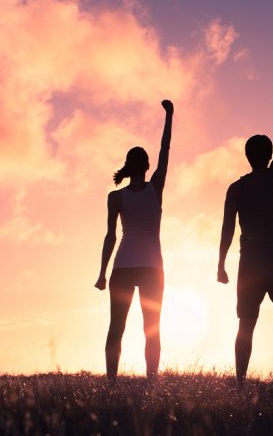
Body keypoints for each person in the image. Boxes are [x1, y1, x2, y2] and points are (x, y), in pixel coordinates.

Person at [217, 85, 273, 382]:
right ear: (268, 155)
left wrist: (220, 264)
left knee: (246, 324)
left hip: (252, 261)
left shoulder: (237, 188)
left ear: (247, 156)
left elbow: (227, 228)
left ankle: (240, 383)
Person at [95, 100, 174, 381]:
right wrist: (169, 115)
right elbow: (166, 149)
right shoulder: (154, 187)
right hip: (150, 268)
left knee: (117, 327)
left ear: (129, 166)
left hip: (124, 267)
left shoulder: (116, 196)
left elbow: (110, 237)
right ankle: (151, 382)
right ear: (147, 165)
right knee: (151, 327)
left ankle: (111, 383)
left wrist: (102, 273)